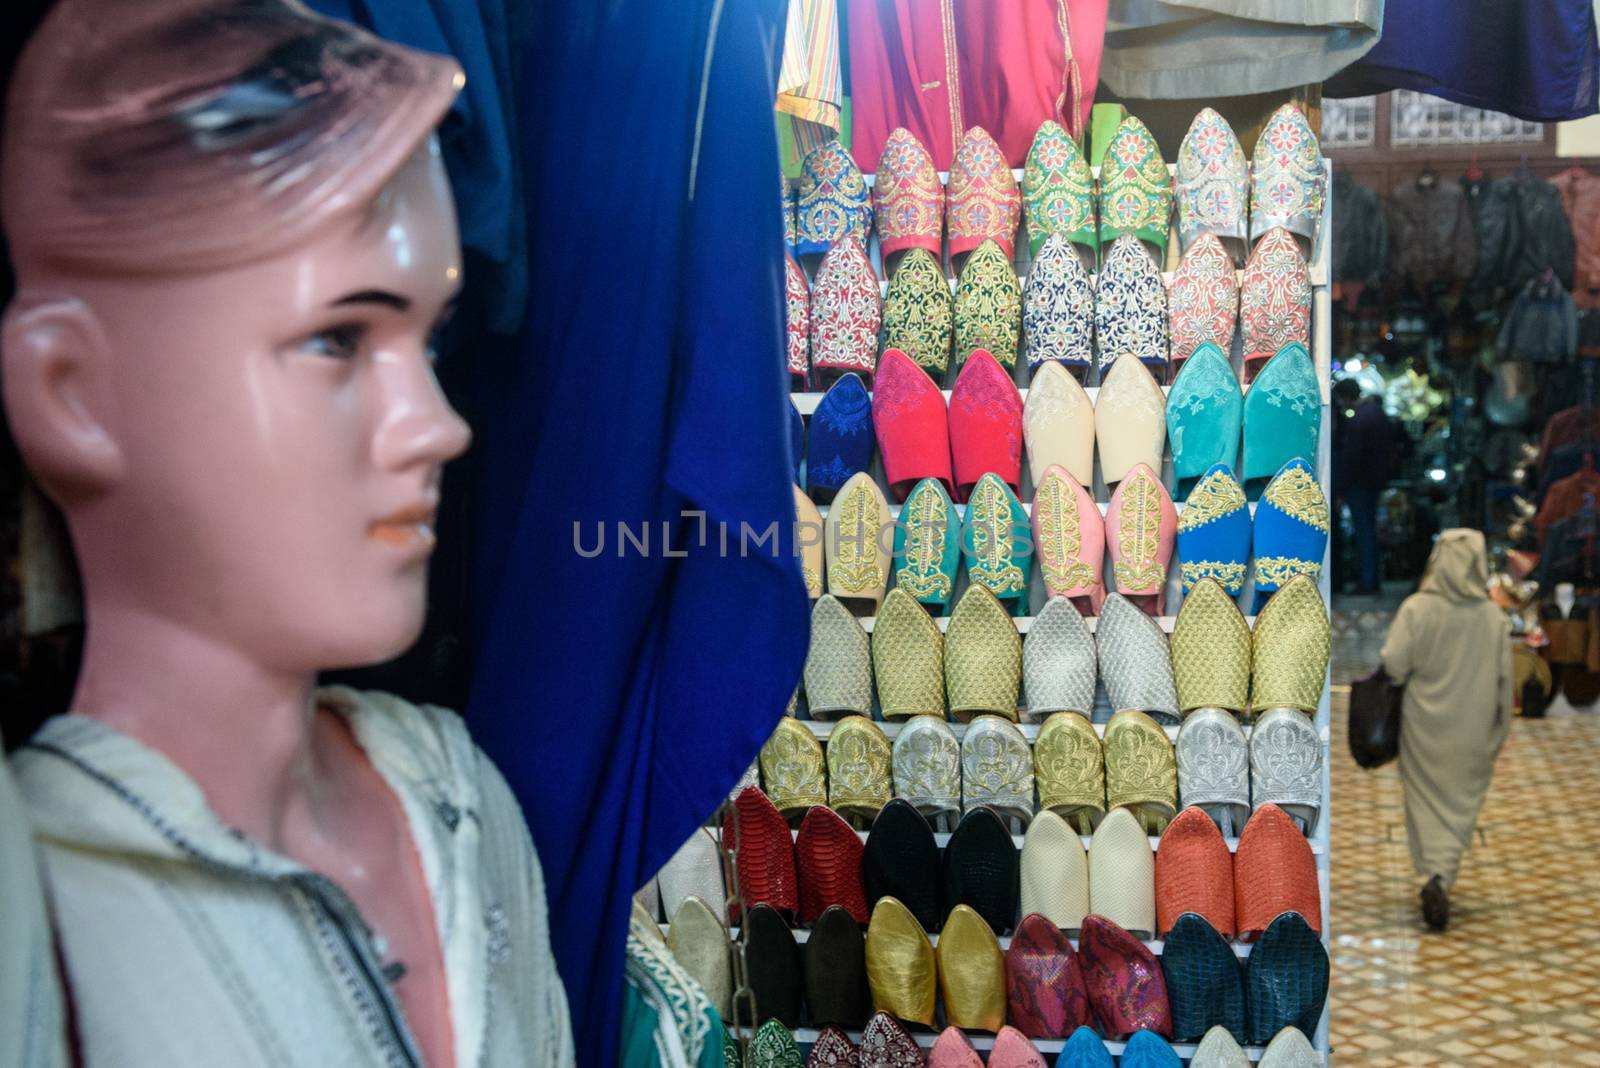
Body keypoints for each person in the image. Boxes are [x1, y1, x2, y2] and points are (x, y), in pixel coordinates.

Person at [1, 2, 574, 1063]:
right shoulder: (40, 906)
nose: (440, 426)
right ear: (71, 392)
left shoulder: (457, 799)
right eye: (338, 338)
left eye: (428, 339)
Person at [1380, 528, 1514, 930]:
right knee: (1460, 807)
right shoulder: (1493, 618)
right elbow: (1506, 682)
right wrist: (1498, 730)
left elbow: (1394, 664)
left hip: (1423, 729)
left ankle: (1431, 875)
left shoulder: (1418, 609)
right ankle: (1444, 873)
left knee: (1424, 805)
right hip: (1472, 732)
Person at [1333, 376, 1403, 594]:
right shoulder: (1376, 413)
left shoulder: (1358, 421)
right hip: (1374, 482)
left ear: (1345, 398)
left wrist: (1341, 490)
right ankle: (1371, 579)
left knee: (1364, 531)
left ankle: (1367, 581)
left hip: (1360, 485)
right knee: (1369, 530)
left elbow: (1351, 459)